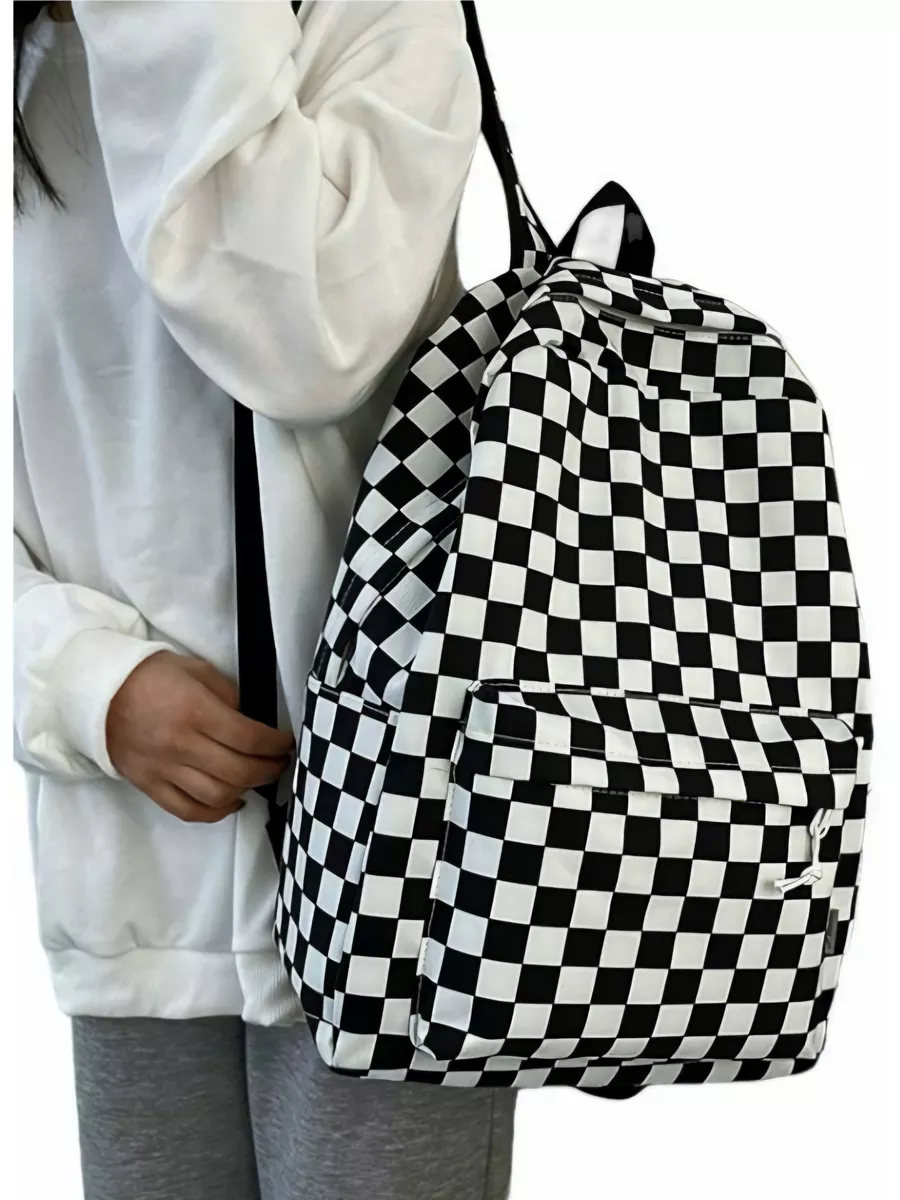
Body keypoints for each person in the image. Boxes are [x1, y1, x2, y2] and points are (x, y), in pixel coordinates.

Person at [12, 2, 515, 1197]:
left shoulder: (385, 16)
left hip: (403, 886)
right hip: (136, 894)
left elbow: (304, 338)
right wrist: (80, 682)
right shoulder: (35, 60)